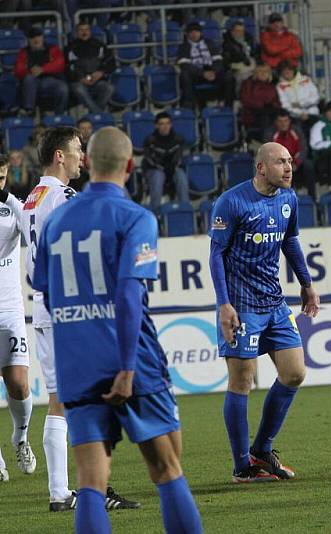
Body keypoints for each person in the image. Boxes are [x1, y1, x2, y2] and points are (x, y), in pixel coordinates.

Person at [30, 127, 202, 533]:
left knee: (90, 481)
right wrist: (126, 366)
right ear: (129, 165)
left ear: (89, 163)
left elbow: (46, 293)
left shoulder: (57, 221)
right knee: (166, 468)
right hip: (132, 361)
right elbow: (128, 296)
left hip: (79, 366)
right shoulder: (134, 217)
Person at [0, 126, 138, 512]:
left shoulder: (31, 198)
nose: (82, 156)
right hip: (68, 310)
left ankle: (64, 492)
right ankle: (88, 488)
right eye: (77, 149)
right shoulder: (64, 197)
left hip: (43, 307)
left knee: (62, 400)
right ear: (59, 155)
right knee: (88, 398)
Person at [208, 141, 320, 483]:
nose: (288, 168)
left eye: (290, 161)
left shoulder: (288, 199)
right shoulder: (232, 201)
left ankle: (261, 449)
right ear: (261, 168)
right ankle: (243, 467)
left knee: (295, 372)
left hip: (274, 302)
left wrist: (306, 283)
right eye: (281, 162)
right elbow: (215, 255)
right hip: (241, 305)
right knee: (242, 380)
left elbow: (290, 241)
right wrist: (224, 304)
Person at [0, 154, 36, 484]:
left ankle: (20, 438)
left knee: (20, 383)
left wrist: (9, 198)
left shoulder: (15, 207)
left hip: (10, 309)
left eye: (2, 176)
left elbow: (33, 225)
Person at [177, 21, 234, 109]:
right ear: (187, 34)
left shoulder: (209, 43)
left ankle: (228, 106)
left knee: (228, 76)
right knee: (184, 75)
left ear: (201, 33)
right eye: (191, 32)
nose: (194, 34)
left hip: (212, 71)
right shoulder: (183, 47)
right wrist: (202, 73)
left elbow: (218, 60)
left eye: (196, 32)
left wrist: (214, 71)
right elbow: (185, 65)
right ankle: (188, 106)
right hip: (196, 74)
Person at [14, 27, 69, 115]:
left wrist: (43, 69)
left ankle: (60, 116)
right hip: (32, 82)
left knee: (63, 87)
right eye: (32, 37)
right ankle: (29, 110)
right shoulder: (24, 52)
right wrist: (31, 71)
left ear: (42, 37)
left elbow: (60, 64)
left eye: (38, 36)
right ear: (28, 39)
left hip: (50, 80)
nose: (36, 39)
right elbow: (18, 70)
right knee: (29, 78)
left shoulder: (52, 48)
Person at [142, 112, 188, 214]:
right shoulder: (150, 140)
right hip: (155, 170)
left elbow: (180, 156)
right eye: (162, 124)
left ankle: (185, 211)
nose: (165, 126)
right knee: (158, 176)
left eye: (167, 123)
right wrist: (162, 167)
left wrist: (173, 166)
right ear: (156, 126)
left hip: (173, 168)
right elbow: (149, 158)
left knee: (181, 175)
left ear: (171, 124)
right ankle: (156, 213)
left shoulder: (178, 139)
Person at [66, 21, 115, 115]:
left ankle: (93, 115)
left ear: (90, 31)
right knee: (78, 89)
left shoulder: (99, 45)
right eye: (81, 30)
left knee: (109, 88)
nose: (84, 32)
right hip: (79, 82)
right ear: (76, 32)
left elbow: (111, 63)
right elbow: (68, 68)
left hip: (97, 81)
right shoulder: (70, 48)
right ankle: (98, 115)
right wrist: (80, 78)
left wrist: (101, 72)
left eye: (86, 29)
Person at [264, 109, 315, 196]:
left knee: (308, 164)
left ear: (289, 121)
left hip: (295, 162)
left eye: (286, 121)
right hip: (280, 164)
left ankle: (312, 197)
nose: (283, 124)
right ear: (275, 122)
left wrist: (296, 162)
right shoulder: (270, 134)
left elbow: (303, 149)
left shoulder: (296, 131)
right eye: (280, 121)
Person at [275, 61, 320, 136]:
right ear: (281, 72)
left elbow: (315, 97)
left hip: (312, 112)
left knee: (317, 128)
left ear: (293, 70)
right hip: (295, 116)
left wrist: (300, 104)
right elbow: (285, 105)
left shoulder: (306, 79)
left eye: (289, 70)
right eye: (284, 70)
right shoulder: (280, 86)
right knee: (297, 129)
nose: (287, 72)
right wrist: (299, 113)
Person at [240, 63, 280, 141]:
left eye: (266, 72)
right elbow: (245, 99)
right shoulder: (248, 84)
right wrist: (261, 105)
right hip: (253, 113)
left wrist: (273, 105)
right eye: (260, 71)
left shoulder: (273, 85)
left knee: (283, 116)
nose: (263, 74)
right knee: (265, 117)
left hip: (270, 110)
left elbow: (277, 100)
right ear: (255, 73)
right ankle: (267, 142)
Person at [222, 20, 257, 92]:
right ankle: (240, 97)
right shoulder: (227, 43)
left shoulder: (249, 39)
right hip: (236, 64)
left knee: (263, 73)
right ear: (232, 31)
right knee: (243, 76)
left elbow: (255, 53)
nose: (240, 33)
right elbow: (227, 59)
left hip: (251, 63)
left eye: (241, 30)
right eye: (237, 30)